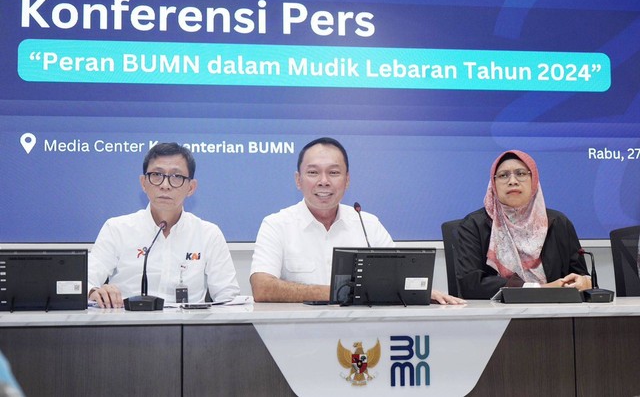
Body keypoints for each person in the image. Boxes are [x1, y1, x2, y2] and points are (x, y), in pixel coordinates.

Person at [250, 137, 465, 305]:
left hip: (362, 337)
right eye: (313, 172)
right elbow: (261, 288)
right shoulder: (276, 224)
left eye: (333, 172)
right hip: (297, 339)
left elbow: (400, 279)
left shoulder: (367, 224)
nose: (323, 182)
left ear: (347, 179)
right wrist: (336, 293)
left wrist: (420, 293)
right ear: (298, 180)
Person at [88, 142, 240, 308]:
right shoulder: (117, 229)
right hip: (127, 326)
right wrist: (94, 291)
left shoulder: (208, 234)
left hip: (188, 329)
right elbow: (85, 281)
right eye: (157, 175)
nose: (165, 185)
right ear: (143, 183)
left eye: (176, 177)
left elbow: (229, 298)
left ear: (191, 187)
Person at [455, 150, 591, 299]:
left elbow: (580, 275)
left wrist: (584, 281)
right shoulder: (474, 225)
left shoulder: (558, 223)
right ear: (493, 184)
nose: (512, 181)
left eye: (521, 174)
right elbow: (470, 285)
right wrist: (539, 289)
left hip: (556, 311)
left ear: (534, 180)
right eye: (503, 175)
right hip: (498, 314)